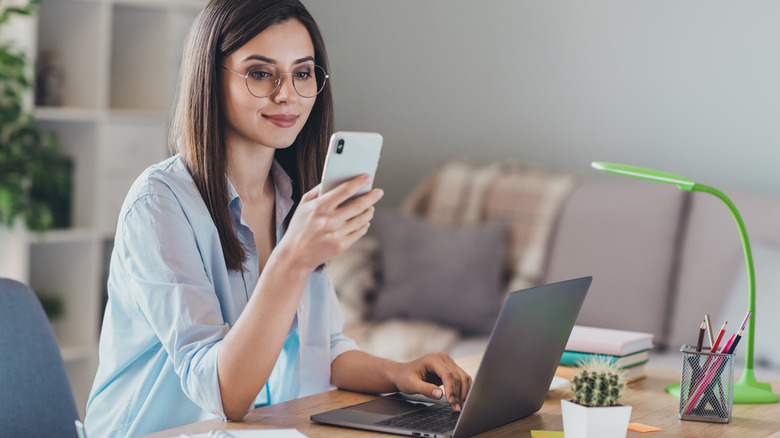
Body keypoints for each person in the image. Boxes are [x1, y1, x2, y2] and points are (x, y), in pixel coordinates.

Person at [83, 1, 471, 436]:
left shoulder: (293, 198)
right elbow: (224, 393)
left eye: (302, 73)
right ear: (210, 77)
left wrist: (398, 373)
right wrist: (294, 258)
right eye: (261, 73)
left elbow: (322, 349)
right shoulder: (159, 204)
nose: (286, 94)